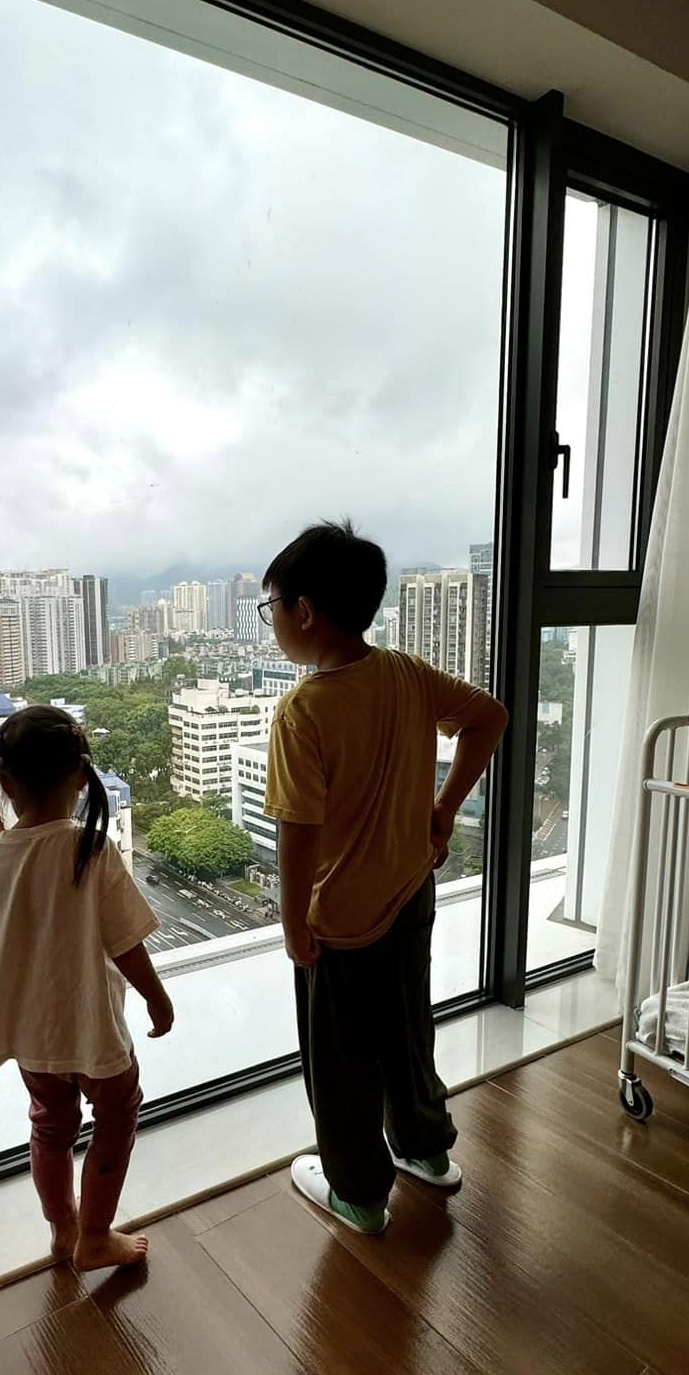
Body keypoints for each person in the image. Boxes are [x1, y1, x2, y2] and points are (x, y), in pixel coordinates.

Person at [261, 521, 509, 1235]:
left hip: (340, 923)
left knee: (341, 1064)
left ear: (305, 611)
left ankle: (361, 1195)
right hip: (409, 894)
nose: (273, 621)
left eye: (272, 606)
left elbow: (298, 832)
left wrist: (293, 923)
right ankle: (426, 1151)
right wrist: (443, 809)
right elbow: (488, 718)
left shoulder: (303, 710)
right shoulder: (404, 671)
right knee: (407, 1030)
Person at [0, 703, 173, 1272]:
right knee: (117, 1117)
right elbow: (126, 944)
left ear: (4, 782)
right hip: (93, 1029)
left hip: (30, 1037)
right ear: (80, 777)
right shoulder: (91, 849)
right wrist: (157, 999)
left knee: (50, 1126)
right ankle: (96, 1236)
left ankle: (64, 1230)